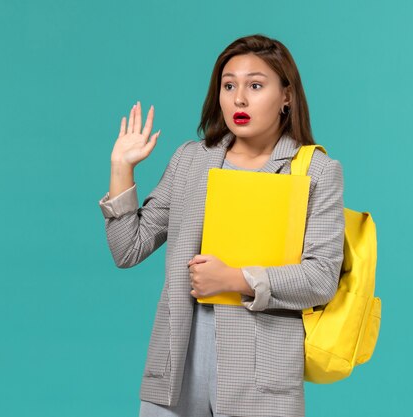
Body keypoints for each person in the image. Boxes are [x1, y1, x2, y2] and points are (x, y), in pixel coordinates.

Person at [98, 34, 345, 417]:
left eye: (256, 85)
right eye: (228, 85)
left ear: (287, 96)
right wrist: (121, 168)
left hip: (262, 384)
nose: (239, 99)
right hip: (176, 375)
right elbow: (127, 248)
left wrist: (236, 280)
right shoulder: (191, 160)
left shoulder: (315, 171)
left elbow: (321, 278)